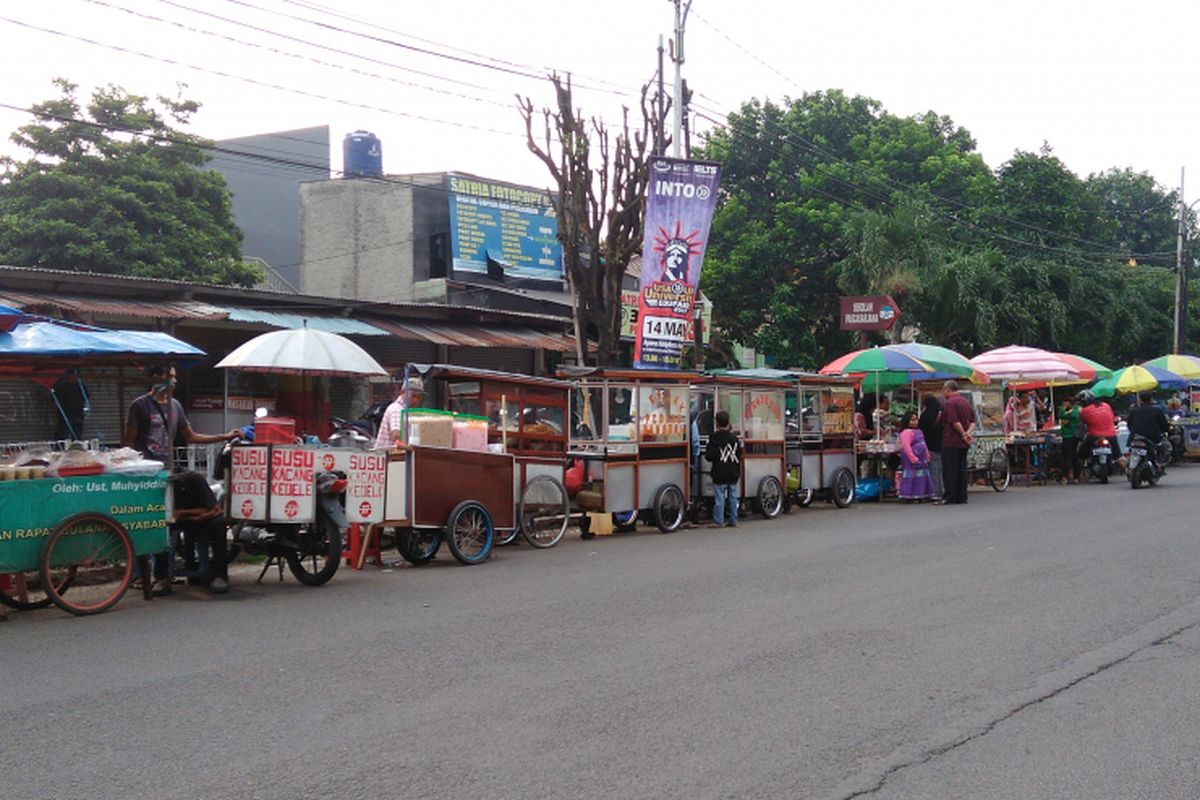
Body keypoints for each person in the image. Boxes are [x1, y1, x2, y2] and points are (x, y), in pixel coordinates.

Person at [123, 364, 240, 594]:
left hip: (172, 474)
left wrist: (224, 436)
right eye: (169, 377)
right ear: (154, 377)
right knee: (161, 522)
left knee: (216, 522)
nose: (173, 381)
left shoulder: (175, 406)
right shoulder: (140, 405)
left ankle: (219, 575)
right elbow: (128, 442)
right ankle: (161, 578)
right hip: (150, 476)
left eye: (175, 377)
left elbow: (190, 435)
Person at [168, 469, 229, 593]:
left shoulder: (195, 480)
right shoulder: (165, 485)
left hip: (203, 518)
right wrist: (190, 516)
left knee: (219, 524)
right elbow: (169, 515)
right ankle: (161, 577)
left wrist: (183, 513)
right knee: (158, 531)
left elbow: (210, 509)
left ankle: (220, 575)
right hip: (178, 520)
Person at [939, 380, 975, 504]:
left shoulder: (950, 403)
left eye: (944, 391)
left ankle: (950, 496)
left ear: (947, 390)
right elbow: (973, 421)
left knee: (950, 470)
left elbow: (954, 422)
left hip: (951, 441)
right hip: (963, 443)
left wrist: (963, 434)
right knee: (962, 469)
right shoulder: (966, 402)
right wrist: (968, 433)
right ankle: (962, 496)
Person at [705, 410, 742, 528]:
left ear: (716, 423)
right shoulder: (734, 438)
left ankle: (719, 521)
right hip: (733, 471)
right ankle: (733, 520)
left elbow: (709, 456)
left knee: (720, 497)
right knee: (733, 496)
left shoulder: (714, 438)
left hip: (719, 471)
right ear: (728, 423)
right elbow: (739, 453)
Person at [373, 376, 426, 449]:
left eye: (419, 397)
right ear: (402, 392)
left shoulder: (410, 412)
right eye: (413, 396)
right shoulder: (397, 409)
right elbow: (396, 434)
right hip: (388, 456)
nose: (416, 400)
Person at [1078, 390, 1122, 468]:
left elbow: (1083, 423)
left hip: (1094, 436)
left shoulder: (1084, 411)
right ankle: (1129, 473)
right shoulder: (1106, 405)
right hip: (1111, 435)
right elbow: (1111, 417)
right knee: (1119, 456)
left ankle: (1078, 475)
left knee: (1081, 454)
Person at [1126, 390, 1172, 464]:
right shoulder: (1157, 411)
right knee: (1167, 447)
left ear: (1140, 399)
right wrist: (1167, 430)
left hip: (1135, 437)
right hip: (1153, 438)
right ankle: (1160, 464)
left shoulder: (1133, 411)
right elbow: (1164, 425)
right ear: (1151, 399)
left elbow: (1129, 425)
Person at [897, 411, 935, 502]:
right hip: (911, 458)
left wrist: (927, 454)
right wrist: (912, 458)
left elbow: (923, 444)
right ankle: (909, 495)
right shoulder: (906, 432)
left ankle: (922, 494)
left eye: (916, 420)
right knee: (911, 476)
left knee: (922, 476)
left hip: (922, 458)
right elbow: (906, 447)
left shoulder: (919, 431)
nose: (915, 422)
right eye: (912, 420)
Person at [917, 394, 945, 503]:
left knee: (932, 468)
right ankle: (941, 490)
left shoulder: (925, 416)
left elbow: (921, 431)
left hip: (928, 445)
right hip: (941, 444)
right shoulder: (941, 415)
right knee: (939, 469)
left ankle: (933, 492)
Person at [51, 368, 89, 441]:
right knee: (62, 432)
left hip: (78, 413)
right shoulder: (61, 386)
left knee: (77, 432)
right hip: (65, 413)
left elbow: (85, 399)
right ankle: (59, 447)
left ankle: (76, 445)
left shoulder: (81, 387)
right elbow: (55, 400)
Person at [1057, 395, 1081, 484]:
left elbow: (1061, 414)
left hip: (1070, 436)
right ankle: (1074, 477)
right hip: (1068, 436)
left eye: (1064, 403)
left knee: (1068, 456)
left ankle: (1067, 477)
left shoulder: (1074, 411)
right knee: (1072, 456)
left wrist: (1063, 409)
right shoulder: (1074, 410)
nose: (1063, 405)